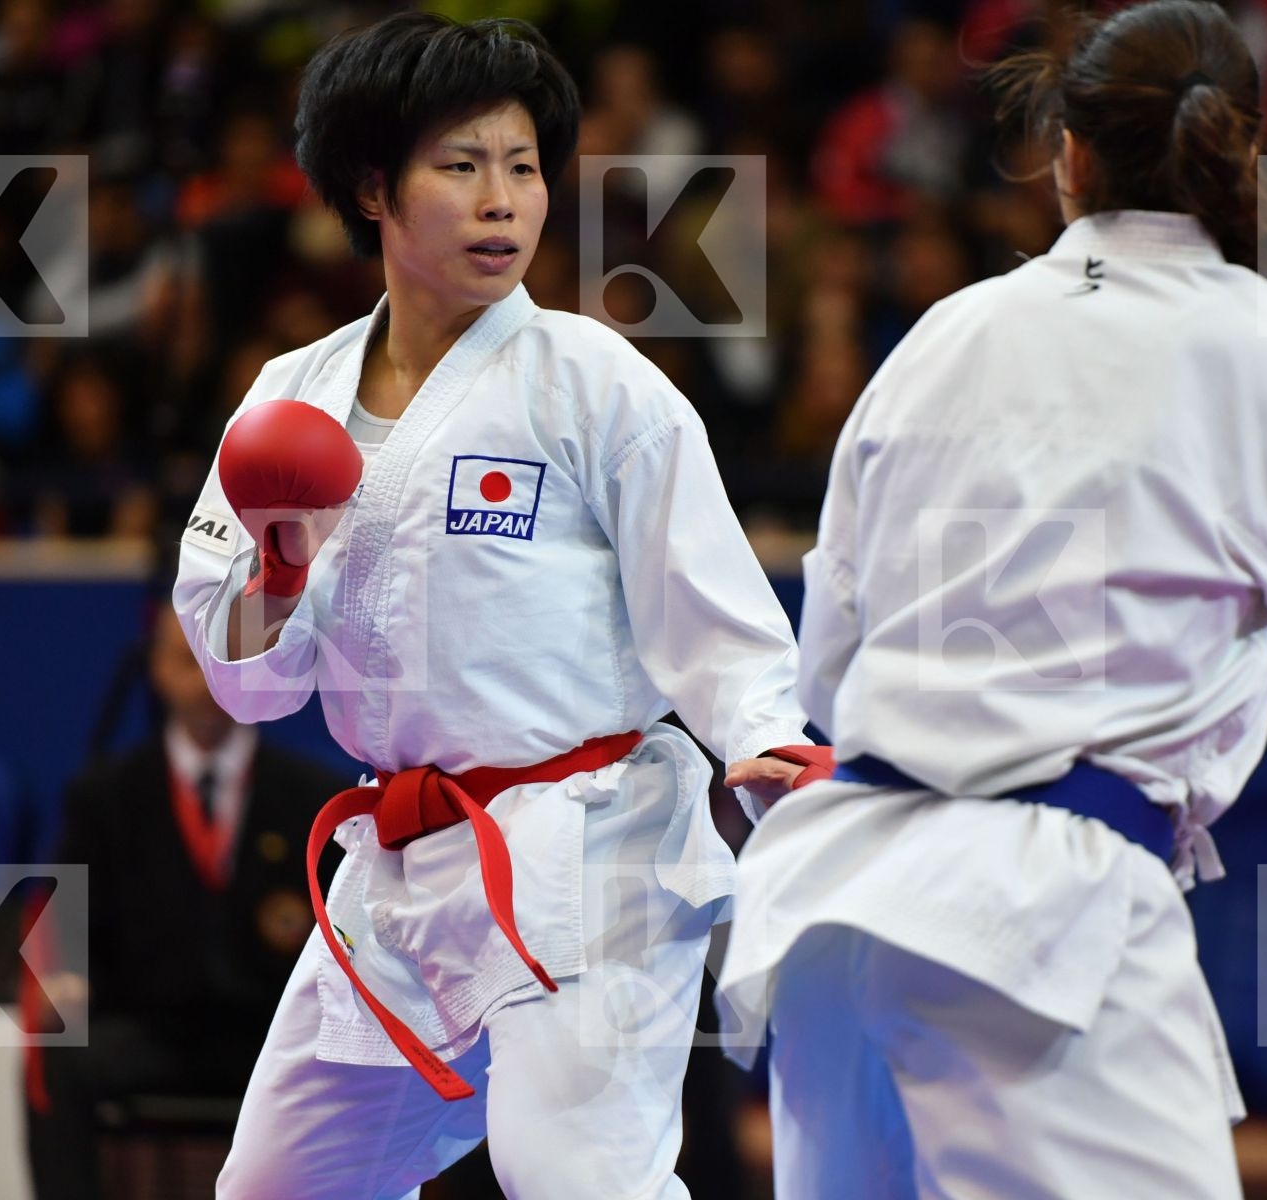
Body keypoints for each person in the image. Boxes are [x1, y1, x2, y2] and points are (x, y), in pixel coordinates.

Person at [716, 3, 1267, 1198]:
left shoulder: (943, 333)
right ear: (1245, 152)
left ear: (1067, 154)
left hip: (834, 904)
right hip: (1034, 919)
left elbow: (835, 659)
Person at [169, 14, 817, 1199]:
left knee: (571, 1176)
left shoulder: (592, 379)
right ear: (374, 188)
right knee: (275, 1185)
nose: (502, 200)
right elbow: (248, 683)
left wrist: (765, 739)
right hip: (402, 861)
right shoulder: (288, 398)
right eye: (461, 167)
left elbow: (710, 609)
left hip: (589, 847)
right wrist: (276, 568)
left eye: (522, 168)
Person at [25, 601, 349, 1200]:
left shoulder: (315, 797)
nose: (204, 683)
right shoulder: (105, 796)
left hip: (272, 1034)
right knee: (61, 1057)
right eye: (184, 661)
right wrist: (69, 974)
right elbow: (65, 915)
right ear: (154, 669)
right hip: (152, 1028)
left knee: (359, 1064)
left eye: (219, 662)